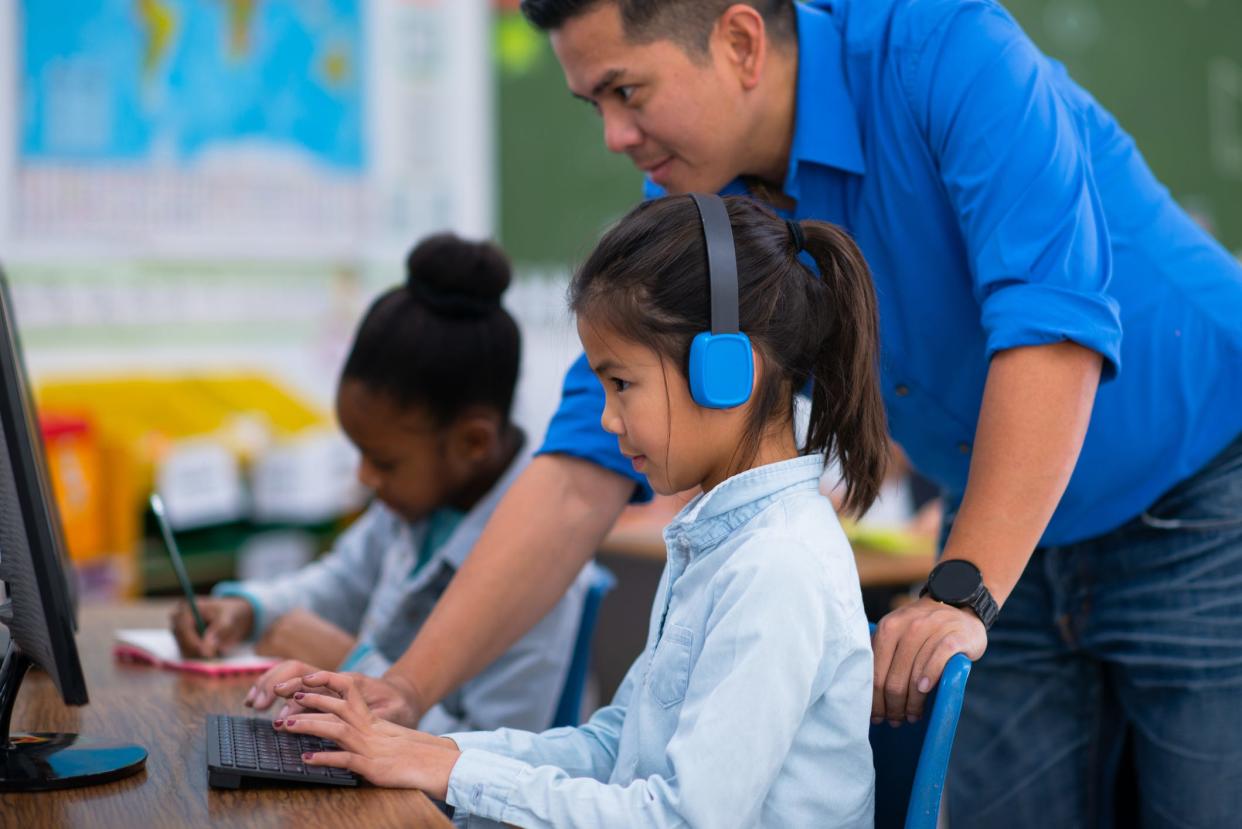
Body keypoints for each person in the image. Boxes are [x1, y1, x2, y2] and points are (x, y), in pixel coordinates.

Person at [260, 2, 1242, 824]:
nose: (612, 134)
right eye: (593, 100)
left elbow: (1052, 325)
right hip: (1008, 524)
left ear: (738, 41)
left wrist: (961, 587)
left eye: (625, 90)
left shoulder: (944, 48)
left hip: (1201, 485)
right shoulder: (706, 211)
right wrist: (406, 692)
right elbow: (572, 474)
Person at [270, 195, 884, 827]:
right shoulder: (721, 542)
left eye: (621, 384)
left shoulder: (776, 568)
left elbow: (681, 818)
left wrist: (448, 770)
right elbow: (613, 747)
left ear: (726, 372)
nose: (606, 419)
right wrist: (422, 751)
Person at [171, 233, 591, 734]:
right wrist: (250, 610)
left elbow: (497, 762)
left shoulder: (542, 570)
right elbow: (342, 583)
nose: (365, 478)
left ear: (473, 443)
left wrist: (351, 663)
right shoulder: (418, 503)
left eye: (384, 462)